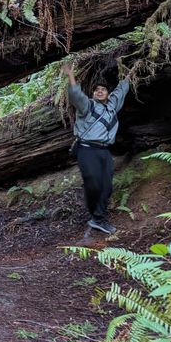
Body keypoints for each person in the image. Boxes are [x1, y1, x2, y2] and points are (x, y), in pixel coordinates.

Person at [62, 62, 130, 234]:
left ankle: (98, 218)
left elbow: (121, 90)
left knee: (106, 186)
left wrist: (130, 71)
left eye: (103, 89)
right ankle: (96, 216)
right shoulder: (88, 106)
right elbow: (77, 96)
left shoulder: (112, 107)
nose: (99, 91)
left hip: (104, 151)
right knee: (93, 183)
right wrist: (71, 76)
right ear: (93, 93)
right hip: (87, 150)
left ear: (108, 93)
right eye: (96, 90)